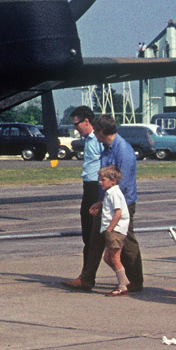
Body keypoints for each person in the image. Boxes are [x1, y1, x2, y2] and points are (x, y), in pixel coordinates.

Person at [62, 114, 143, 292]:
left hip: (122, 204)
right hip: (106, 201)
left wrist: (103, 203)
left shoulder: (123, 150)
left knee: (126, 241)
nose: (93, 133)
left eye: (95, 130)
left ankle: (135, 281)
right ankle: (87, 278)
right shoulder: (106, 148)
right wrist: (101, 202)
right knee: (95, 239)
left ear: (102, 131)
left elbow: (124, 184)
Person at [62, 106, 101, 291]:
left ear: (86, 121)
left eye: (76, 123)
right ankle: (86, 276)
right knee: (88, 234)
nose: (75, 128)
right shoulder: (89, 140)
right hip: (90, 186)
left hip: (96, 187)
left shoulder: (98, 139)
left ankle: (87, 278)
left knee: (93, 233)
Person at [97, 165, 131, 297]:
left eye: (103, 179)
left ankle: (122, 287)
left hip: (115, 231)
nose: (100, 182)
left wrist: (110, 229)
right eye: (100, 179)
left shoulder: (115, 194)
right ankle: (125, 280)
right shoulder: (109, 193)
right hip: (110, 230)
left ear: (113, 181)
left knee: (115, 258)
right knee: (107, 258)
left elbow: (118, 213)